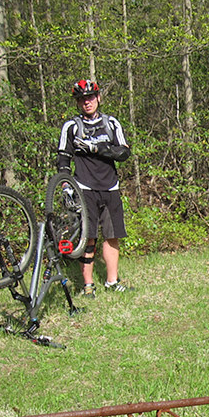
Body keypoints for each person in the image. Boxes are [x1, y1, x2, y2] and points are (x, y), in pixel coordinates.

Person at [56, 79, 132, 296]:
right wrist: (65, 185)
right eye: (82, 99)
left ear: (98, 97)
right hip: (84, 187)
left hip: (110, 187)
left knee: (112, 235)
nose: (86, 102)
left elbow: (124, 152)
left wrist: (98, 149)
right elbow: (63, 158)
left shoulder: (111, 124)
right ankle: (88, 285)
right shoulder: (71, 127)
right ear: (78, 103)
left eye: (90, 97)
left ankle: (112, 281)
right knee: (87, 237)